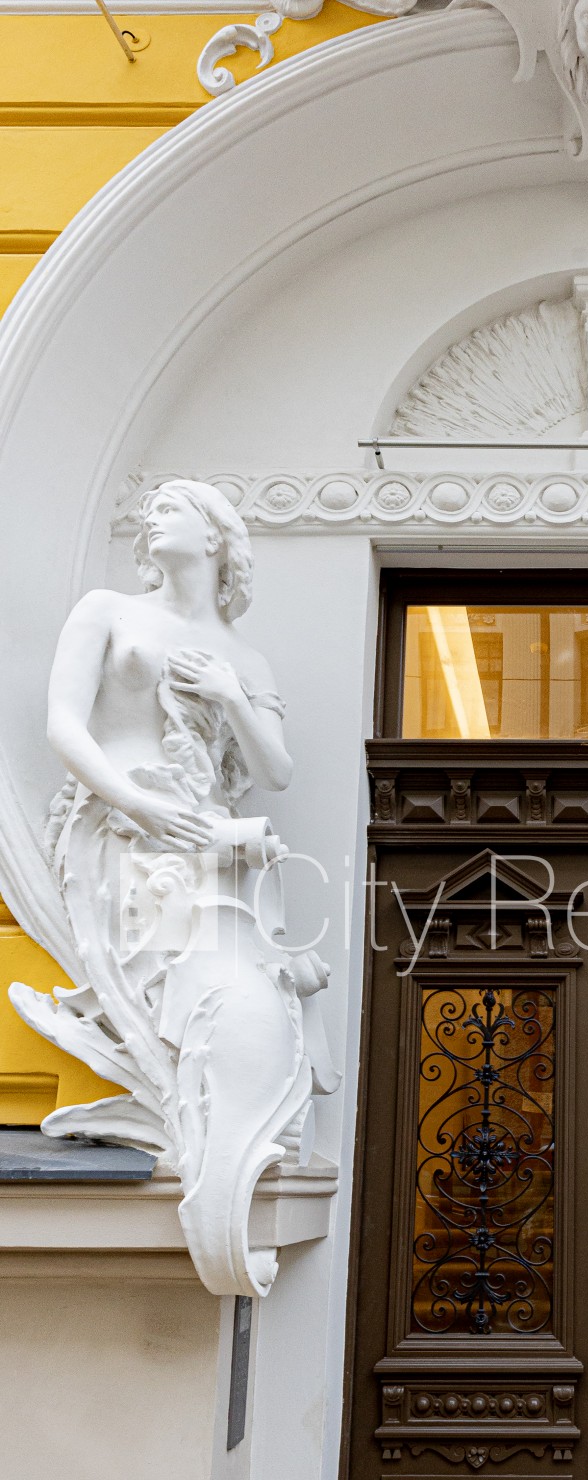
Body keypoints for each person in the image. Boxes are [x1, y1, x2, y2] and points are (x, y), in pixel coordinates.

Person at [11, 479, 335, 1296]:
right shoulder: (107, 609)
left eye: (172, 506)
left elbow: (276, 770)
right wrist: (135, 802)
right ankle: (199, 1156)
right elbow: (63, 725)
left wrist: (230, 695)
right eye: (150, 507)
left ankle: (223, 1156)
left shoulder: (247, 659)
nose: (153, 516)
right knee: (168, 990)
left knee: (217, 990)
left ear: (216, 535)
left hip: (206, 843)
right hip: (123, 832)